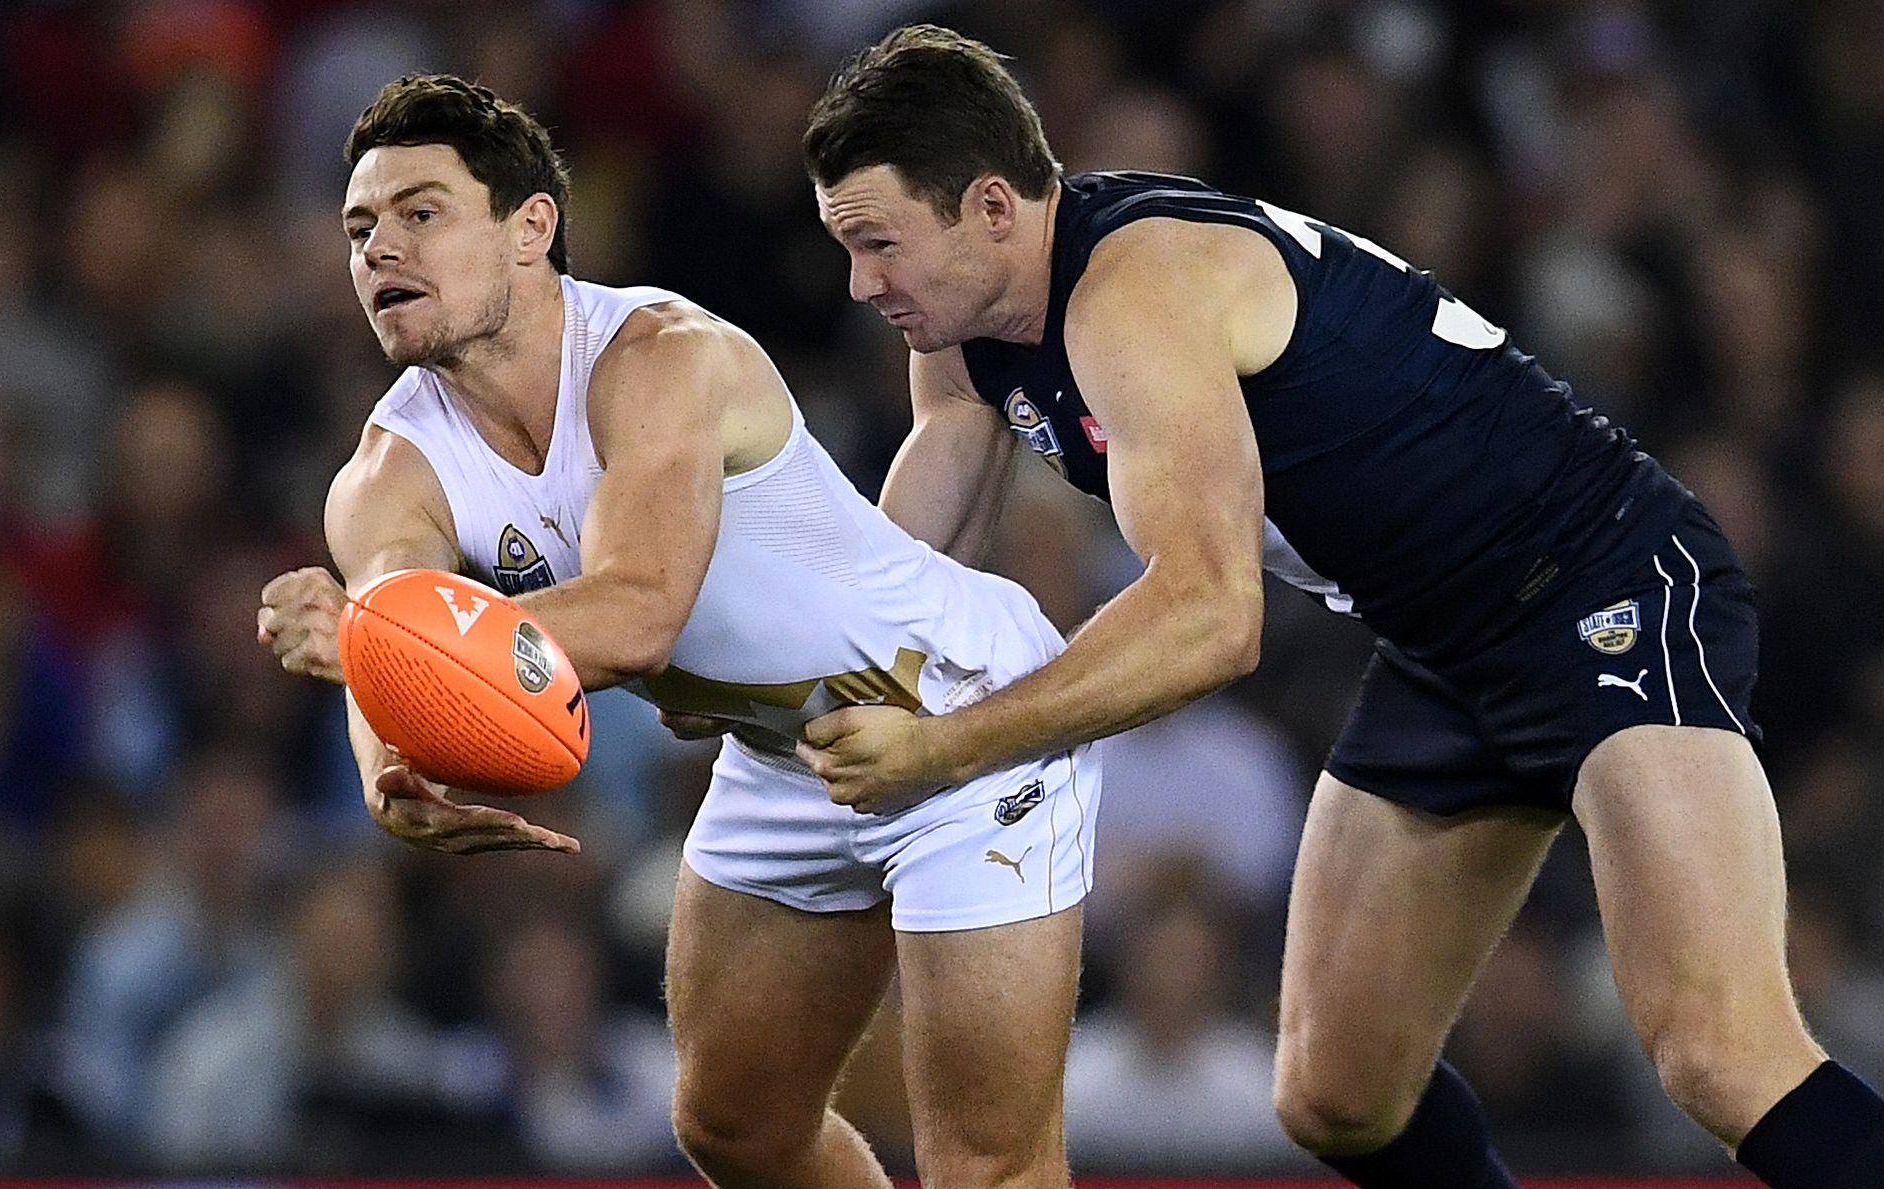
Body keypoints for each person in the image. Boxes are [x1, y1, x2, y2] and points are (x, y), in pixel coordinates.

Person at [794, 24, 1884, 1189]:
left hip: (1597, 581)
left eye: (878, 244)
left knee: (1722, 1055)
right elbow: (902, 567)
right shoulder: (967, 336)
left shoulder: (1134, 293)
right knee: (1336, 1097)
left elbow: (1211, 618)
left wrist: (948, 747)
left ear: (993, 208)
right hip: (1442, 640)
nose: (863, 283)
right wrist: (763, 685)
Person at [254, 74, 1099, 1189]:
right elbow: (407, 630)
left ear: (531, 229)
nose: (378, 250)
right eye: (360, 228)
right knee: (733, 1128)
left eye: (420, 213)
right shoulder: (381, 473)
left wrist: (371, 641)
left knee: (986, 1164)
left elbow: (639, 611)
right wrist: (388, 751)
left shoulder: (659, 355)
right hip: (787, 758)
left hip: (959, 707)